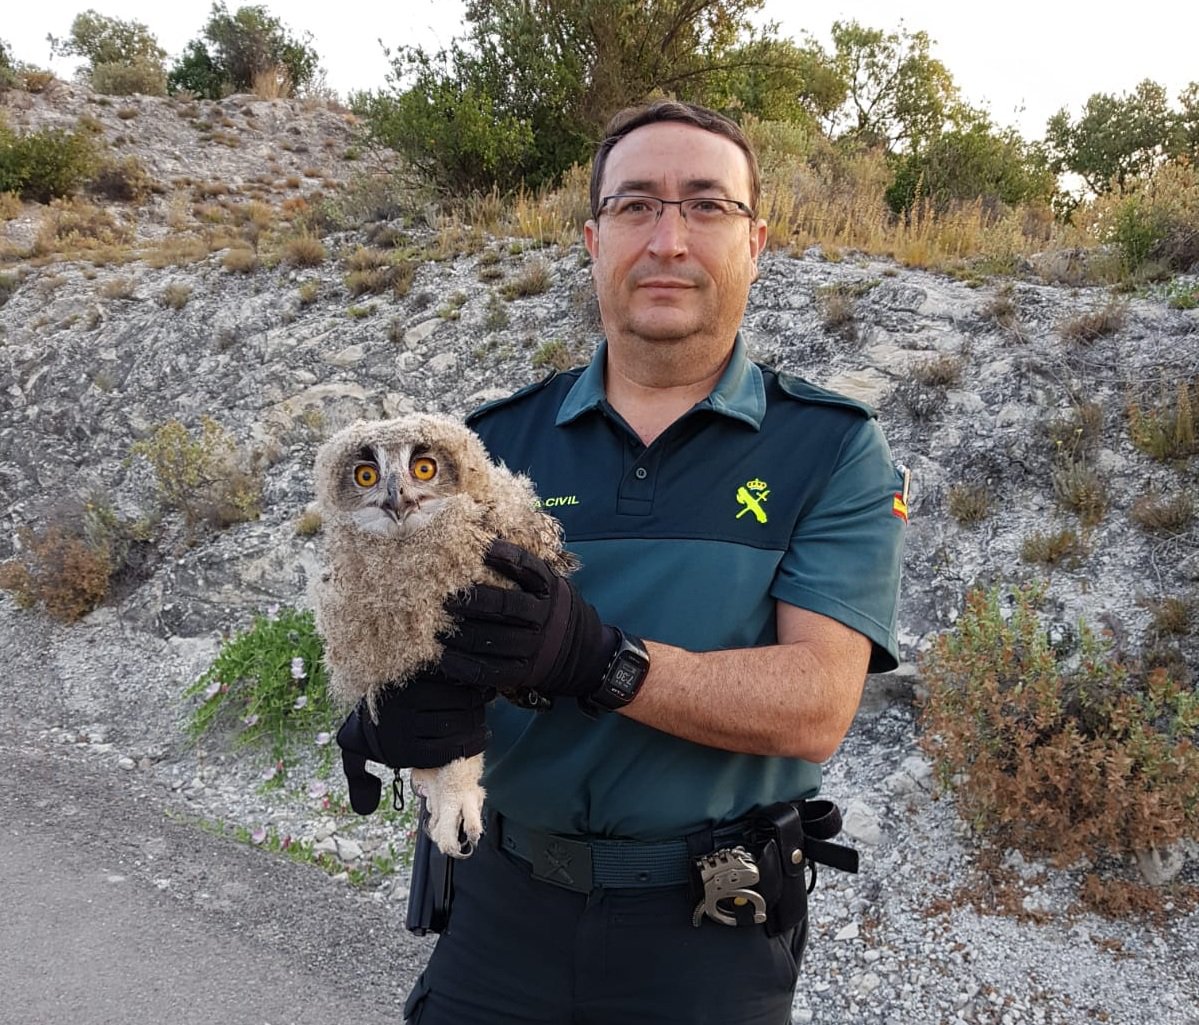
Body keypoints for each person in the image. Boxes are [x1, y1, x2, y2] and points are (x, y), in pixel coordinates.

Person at [338, 100, 907, 1025]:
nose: (668, 238)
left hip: (705, 931)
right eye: (636, 205)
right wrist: (389, 704)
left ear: (754, 241)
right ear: (593, 238)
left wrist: (603, 662)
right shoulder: (488, 443)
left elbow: (816, 704)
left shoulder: (830, 448)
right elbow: (435, 638)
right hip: (498, 904)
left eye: (705, 205)